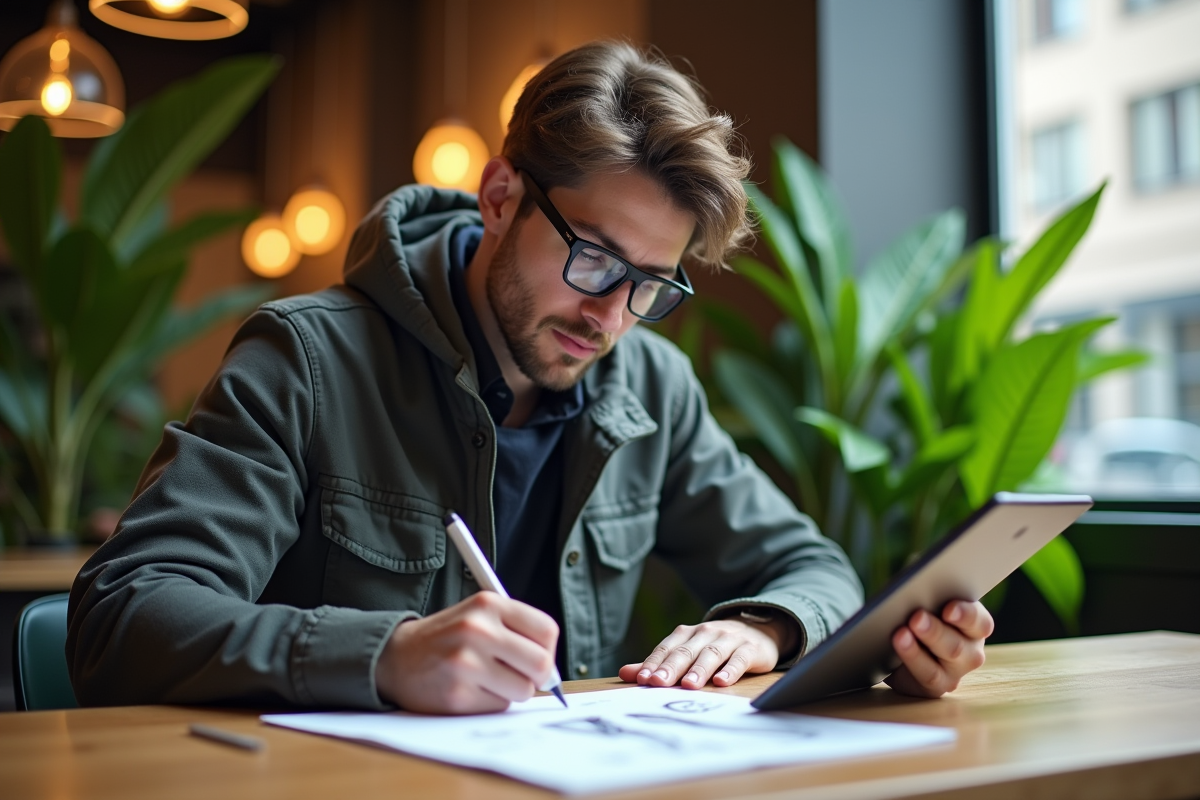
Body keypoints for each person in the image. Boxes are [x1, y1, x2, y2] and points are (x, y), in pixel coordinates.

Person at [66, 41, 992, 714]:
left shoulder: (652, 391)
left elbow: (813, 567)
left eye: (650, 284)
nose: (610, 315)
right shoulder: (306, 359)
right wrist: (382, 656)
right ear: (502, 196)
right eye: (593, 257)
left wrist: (767, 630)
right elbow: (123, 612)